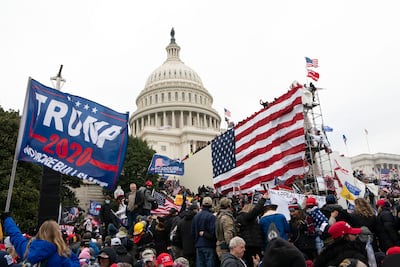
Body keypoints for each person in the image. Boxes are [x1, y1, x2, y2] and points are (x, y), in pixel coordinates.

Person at [2, 212, 80, 266]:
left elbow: (16, 236)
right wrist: (68, 252)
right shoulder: (62, 256)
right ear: (58, 234)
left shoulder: (28, 249)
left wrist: (7, 219)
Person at [235, 192, 267, 266]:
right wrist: (263, 199)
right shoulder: (246, 217)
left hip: (249, 245)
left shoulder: (241, 217)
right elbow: (256, 211)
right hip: (252, 246)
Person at [192, 196, 217, 267]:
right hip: (209, 245)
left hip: (198, 245)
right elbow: (213, 233)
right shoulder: (212, 217)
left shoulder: (196, 216)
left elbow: (193, 232)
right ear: (211, 205)